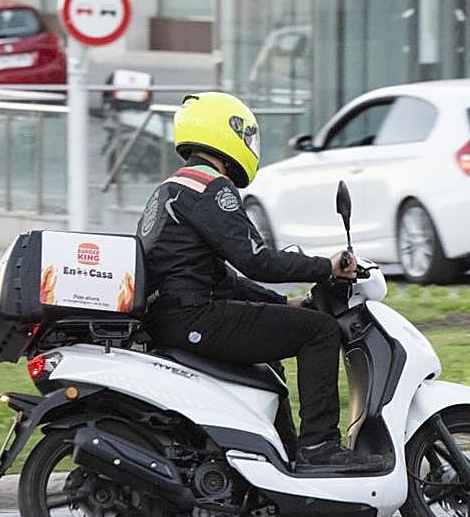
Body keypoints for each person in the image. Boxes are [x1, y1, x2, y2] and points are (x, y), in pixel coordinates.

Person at [137, 92, 385, 471]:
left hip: (174, 317)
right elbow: (255, 259)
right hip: (193, 318)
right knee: (318, 331)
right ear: (226, 132)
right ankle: (319, 446)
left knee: (271, 354)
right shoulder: (210, 187)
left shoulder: (171, 190)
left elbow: (220, 277)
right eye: (247, 135)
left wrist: (284, 304)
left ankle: (279, 458)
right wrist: (326, 267)